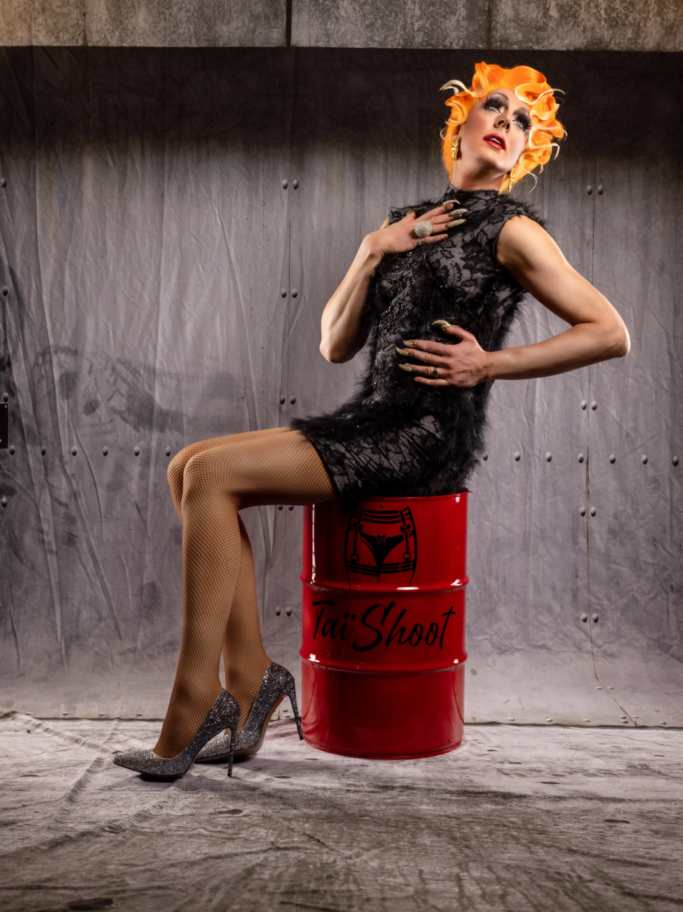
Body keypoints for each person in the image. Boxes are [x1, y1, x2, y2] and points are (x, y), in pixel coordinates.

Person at [114, 62, 629, 778]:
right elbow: (334, 344)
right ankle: (251, 677)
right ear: (458, 125)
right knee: (187, 467)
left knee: (210, 476)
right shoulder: (406, 224)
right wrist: (370, 250)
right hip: (372, 418)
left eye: (522, 123)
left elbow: (609, 332)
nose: (508, 124)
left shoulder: (512, 230)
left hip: (424, 436)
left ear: (523, 152)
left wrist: (487, 364)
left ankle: (197, 699)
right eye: (495, 107)